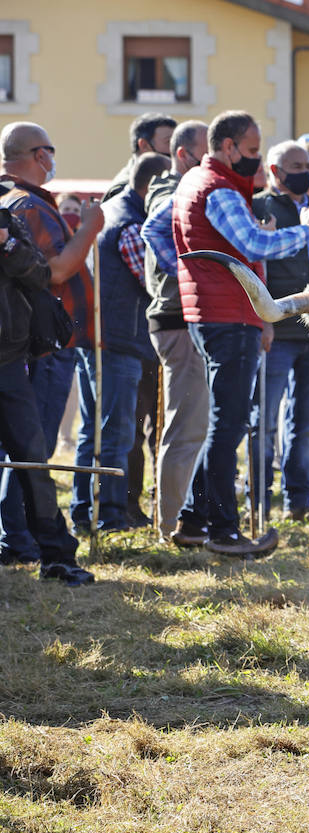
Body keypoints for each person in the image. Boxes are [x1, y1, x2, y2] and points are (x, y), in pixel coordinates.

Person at [171, 110, 309, 556]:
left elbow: (238, 243)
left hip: (221, 313)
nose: (256, 163)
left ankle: (194, 521)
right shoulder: (216, 189)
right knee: (229, 425)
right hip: (226, 314)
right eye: (253, 152)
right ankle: (224, 531)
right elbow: (254, 247)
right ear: (228, 146)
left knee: (228, 422)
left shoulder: (204, 184)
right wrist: (303, 231)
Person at [0, 121, 103, 563]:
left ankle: (22, 541)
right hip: (38, 343)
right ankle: (22, 542)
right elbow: (52, 272)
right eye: (51, 151)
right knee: (32, 451)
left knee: (29, 449)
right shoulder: (26, 204)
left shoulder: (15, 203)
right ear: (40, 155)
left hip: (24, 342)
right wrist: (90, 228)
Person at [69, 151, 169, 533]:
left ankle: (83, 510)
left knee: (91, 429)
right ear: (153, 185)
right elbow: (152, 282)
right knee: (116, 430)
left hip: (96, 336)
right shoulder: (131, 224)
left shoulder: (112, 209)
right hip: (118, 340)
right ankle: (108, 515)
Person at [251, 140, 309, 521]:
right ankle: (259, 502)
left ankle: (298, 501)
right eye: (295, 165)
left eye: (308, 164)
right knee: (264, 421)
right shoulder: (258, 207)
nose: (305, 170)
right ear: (275, 171)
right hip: (275, 332)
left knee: (306, 425)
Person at [141, 119, 210, 540]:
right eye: (206, 154)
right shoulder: (175, 192)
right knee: (185, 428)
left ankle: (181, 518)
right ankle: (170, 526)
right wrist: (194, 271)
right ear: (183, 154)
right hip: (179, 320)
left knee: (191, 427)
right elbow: (153, 232)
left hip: (184, 319)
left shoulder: (182, 189)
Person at [103, 112, 176, 202]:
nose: (174, 149)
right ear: (144, 145)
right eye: (168, 142)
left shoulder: (163, 176)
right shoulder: (122, 190)